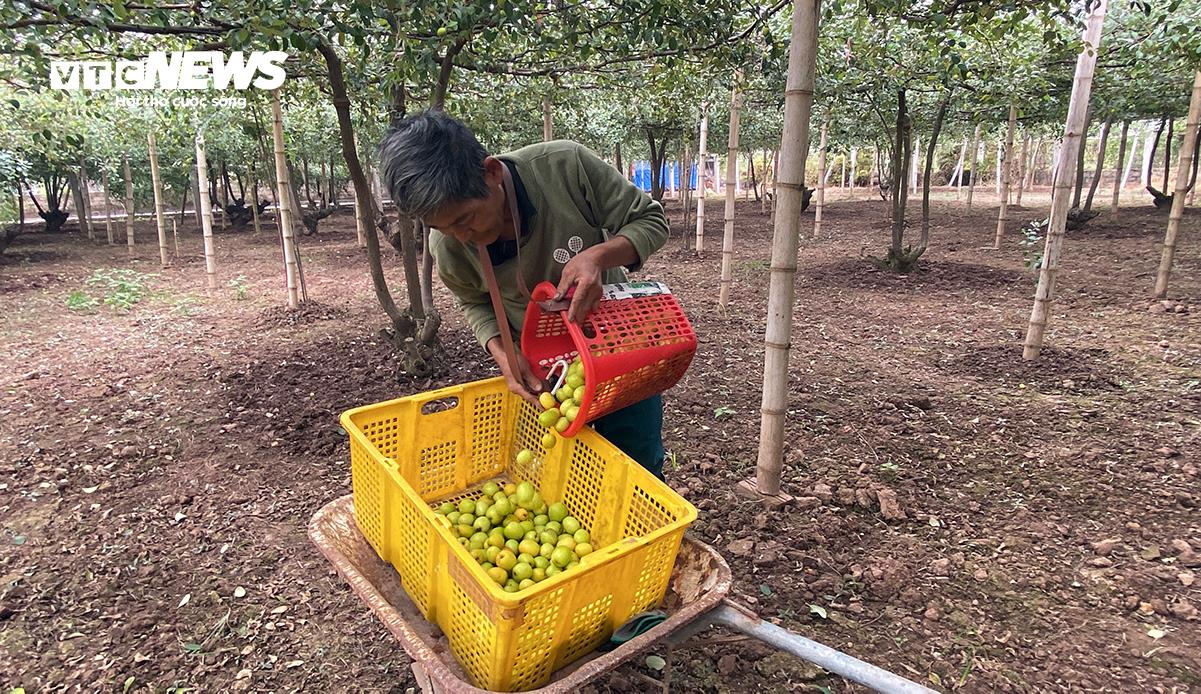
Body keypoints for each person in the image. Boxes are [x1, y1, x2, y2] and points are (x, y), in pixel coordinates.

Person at [378, 110, 670, 478]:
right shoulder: (449, 246)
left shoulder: (566, 167)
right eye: (443, 227)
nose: (461, 236)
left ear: (491, 173)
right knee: (562, 472)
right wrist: (502, 353)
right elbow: (473, 301)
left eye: (465, 219)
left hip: (616, 347)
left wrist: (598, 256)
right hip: (547, 371)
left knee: (637, 462)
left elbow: (651, 220)